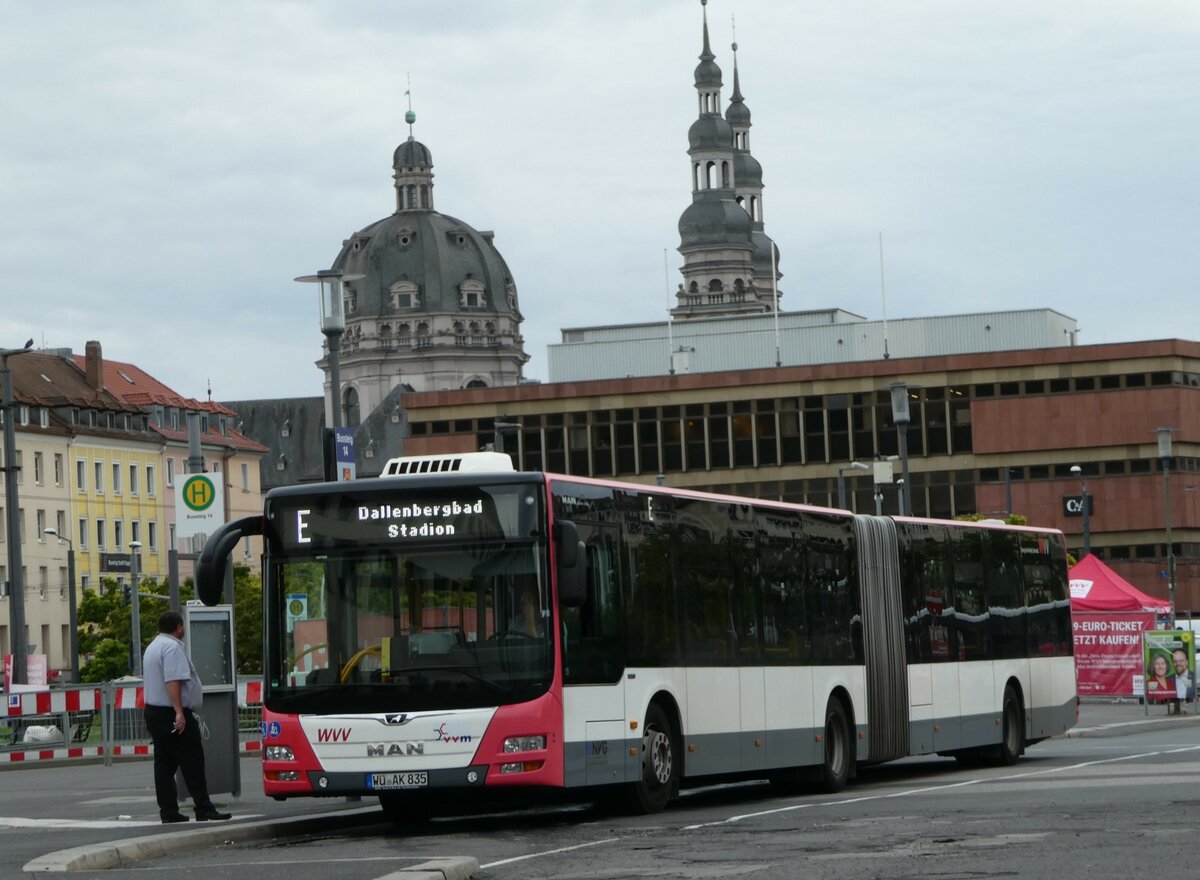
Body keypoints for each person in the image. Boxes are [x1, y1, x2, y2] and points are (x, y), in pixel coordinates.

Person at [143, 610, 232, 823]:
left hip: (154, 712)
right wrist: (179, 712)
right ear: (179, 628)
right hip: (170, 713)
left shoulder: (153, 647)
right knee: (192, 758)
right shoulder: (172, 648)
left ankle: (168, 811)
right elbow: (173, 681)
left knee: (164, 764)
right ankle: (203, 807)